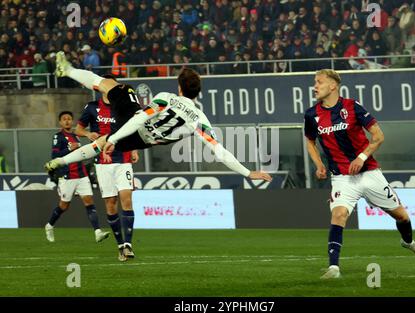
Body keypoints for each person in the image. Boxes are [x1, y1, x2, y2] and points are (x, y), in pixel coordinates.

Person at [44, 52, 272, 202]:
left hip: (132, 125)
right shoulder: (199, 119)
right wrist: (248, 172)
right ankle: (60, 162)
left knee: (112, 86)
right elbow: (219, 151)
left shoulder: (166, 98)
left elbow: (140, 118)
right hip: (142, 142)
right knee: (102, 142)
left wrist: (114, 138)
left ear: (180, 87)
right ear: (197, 93)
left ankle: (68, 70)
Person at [303, 69, 415, 279]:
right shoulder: (312, 114)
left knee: (401, 215)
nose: (315, 86)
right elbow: (309, 140)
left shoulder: (352, 107)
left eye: (319, 82)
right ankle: (334, 268)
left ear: (333, 86)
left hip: (369, 173)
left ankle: (408, 242)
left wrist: (361, 157)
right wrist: (318, 164)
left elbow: (378, 136)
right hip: (342, 178)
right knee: (338, 214)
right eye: (315, 82)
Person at [75, 77, 139, 262]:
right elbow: (78, 129)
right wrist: (88, 134)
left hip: (123, 158)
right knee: (111, 204)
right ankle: (120, 245)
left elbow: (133, 128)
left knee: (126, 199)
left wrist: (134, 148)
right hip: (102, 162)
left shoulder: (123, 106)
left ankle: (128, 244)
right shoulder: (91, 107)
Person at [45, 111, 110, 243]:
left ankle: (97, 232)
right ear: (60, 122)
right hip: (67, 176)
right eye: (64, 119)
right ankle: (49, 225)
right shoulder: (58, 137)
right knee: (64, 206)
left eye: (69, 119)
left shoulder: (76, 136)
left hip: (81, 174)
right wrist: (70, 149)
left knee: (89, 202)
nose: (67, 121)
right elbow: (54, 156)